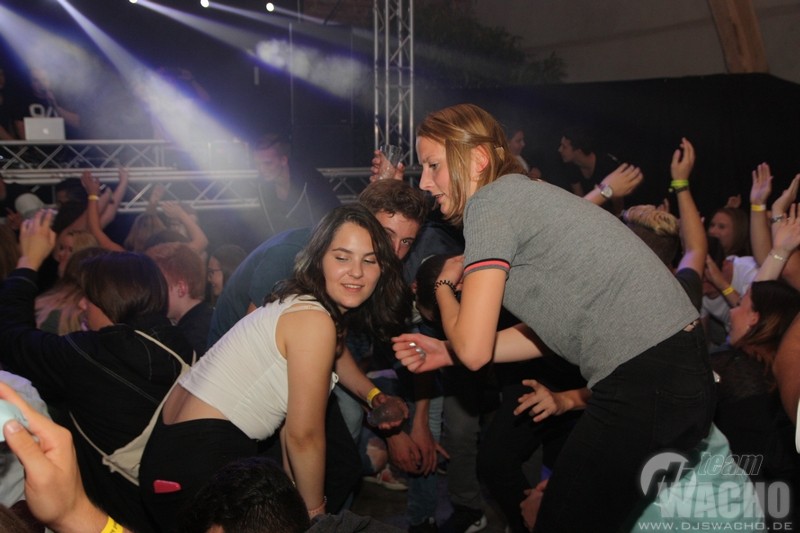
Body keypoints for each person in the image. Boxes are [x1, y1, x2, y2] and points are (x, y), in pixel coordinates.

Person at [393, 103, 714, 532]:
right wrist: (448, 350)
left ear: (478, 159)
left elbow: (474, 351)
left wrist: (443, 285)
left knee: (557, 520)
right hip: (679, 375)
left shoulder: (490, 201)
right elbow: (550, 330)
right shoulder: (525, 196)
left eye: (433, 165)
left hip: (645, 381)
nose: (425, 182)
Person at [139, 204, 411, 533]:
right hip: (201, 457)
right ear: (319, 259)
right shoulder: (314, 320)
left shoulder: (299, 303)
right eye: (342, 257)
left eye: (369, 260)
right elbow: (303, 436)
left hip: (170, 451)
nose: (357, 272)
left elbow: (289, 427)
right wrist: (314, 516)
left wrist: (372, 395)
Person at [0, 210, 195, 533]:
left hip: (107, 519)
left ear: (109, 300)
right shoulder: (181, 345)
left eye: (88, 298)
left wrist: (28, 262)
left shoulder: (94, 356)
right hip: (169, 514)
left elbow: (11, 338)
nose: (81, 306)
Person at [251, 133, 341, 242]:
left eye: (268, 163)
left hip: (317, 246)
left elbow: (333, 215)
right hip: (282, 247)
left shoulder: (310, 180)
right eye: (257, 164)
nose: (261, 169)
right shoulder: (261, 187)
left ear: (283, 160)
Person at [146, 242, 213, 357]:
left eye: (158, 286)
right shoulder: (206, 316)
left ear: (181, 288)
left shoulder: (191, 338)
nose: (152, 293)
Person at [558, 125, 626, 215]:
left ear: (578, 151)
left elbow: (618, 207)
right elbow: (580, 200)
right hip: (592, 211)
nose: (559, 150)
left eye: (564, 147)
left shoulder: (607, 166)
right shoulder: (571, 166)